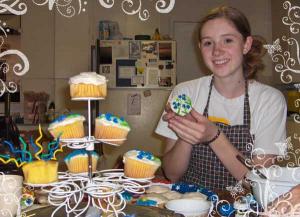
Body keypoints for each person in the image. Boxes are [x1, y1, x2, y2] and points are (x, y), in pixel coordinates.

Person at [155, 6, 287, 190]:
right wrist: (187, 134)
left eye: (227, 40)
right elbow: (172, 174)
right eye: (208, 43)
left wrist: (213, 136)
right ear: (200, 48)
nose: (217, 51)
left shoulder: (270, 100)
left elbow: (259, 183)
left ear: (246, 44)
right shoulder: (185, 93)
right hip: (191, 204)